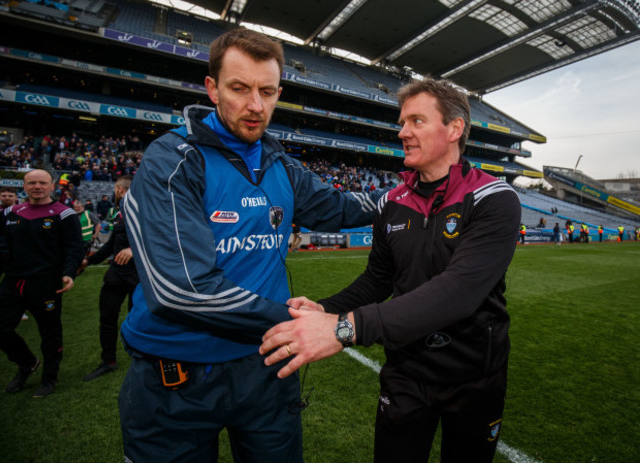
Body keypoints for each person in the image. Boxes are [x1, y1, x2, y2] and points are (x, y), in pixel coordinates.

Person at [119, 28, 383, 462]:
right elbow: (181, 291)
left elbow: (338, 207)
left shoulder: (281, 164)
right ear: (212, 89)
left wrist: (410, 196)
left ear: (280, 92)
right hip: (176, 378)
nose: (255, 106)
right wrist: (297, 321)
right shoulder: (173, 159)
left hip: (266, 368)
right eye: (239, 88)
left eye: (266, 91)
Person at [260, 77, 521, 463]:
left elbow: (458, 291)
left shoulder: (494, 198)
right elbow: (378, 279)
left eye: (416, 121)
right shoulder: (390, 201)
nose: (403, 132)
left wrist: (345, 328)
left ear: (454, 129)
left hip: (475, 377)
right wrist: (326, 309)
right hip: (406, 373)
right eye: (402, 122)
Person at [0, 169, 84, 398]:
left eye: (42, 183)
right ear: (25, 186)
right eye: (32, 183)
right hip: (13, 281)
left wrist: (69, 273)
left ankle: (49, 378)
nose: (37, 187)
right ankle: (27, 362)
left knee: (50, 333)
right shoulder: (11, 212)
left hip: (46, 284)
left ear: (51, 186)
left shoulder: (64, 214)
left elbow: (75, 247)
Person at [80, 176, 138, 381]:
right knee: (107, 319)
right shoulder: (120, 212)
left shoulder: (146, 208)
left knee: (138, 319)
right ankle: (109, 361)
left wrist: (134, 250)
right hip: (116, 275)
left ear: (120, 189)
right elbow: (112, 243)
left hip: (139, 277)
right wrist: (90, 260)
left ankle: (141, 359)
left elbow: (160, 238)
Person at [0, 187, 18, 300]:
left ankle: (15, 303)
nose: (7, 198)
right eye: (4, 196)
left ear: (16, 197)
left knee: (15, 279)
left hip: (15, 252)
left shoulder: (22, 212)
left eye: (10, 196)